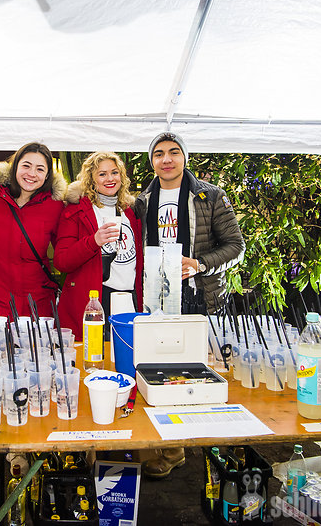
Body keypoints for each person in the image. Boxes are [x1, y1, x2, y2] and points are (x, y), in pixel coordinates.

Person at [134, 131, 245, 479]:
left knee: (196, 371)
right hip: (155, 296)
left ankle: (206, 444)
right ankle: (170, 449)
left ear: (185, 157)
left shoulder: (209, 196)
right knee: (158, 369)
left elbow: (236, 246)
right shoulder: (141, 201)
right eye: (159, 154)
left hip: (198, 296)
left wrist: (198, 263)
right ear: (152, 161)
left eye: (174, 152)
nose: (166, 159)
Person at [54, 151, 143, 340]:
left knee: (126, 352)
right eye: (102, 174)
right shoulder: (76, 211)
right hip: (96, 300)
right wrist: (93, 241)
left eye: (114, 172)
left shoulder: (129, 211)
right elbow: (62, 261)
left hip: (128, 300)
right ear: (91, 179)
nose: (110, 179)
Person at [0, 142, 66, 320]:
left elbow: (65, 253)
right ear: (15, 166)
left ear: (47, 175)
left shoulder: (55, 206)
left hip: (38, 304)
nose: (31, 174)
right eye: (26, 165)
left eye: (40, 169)